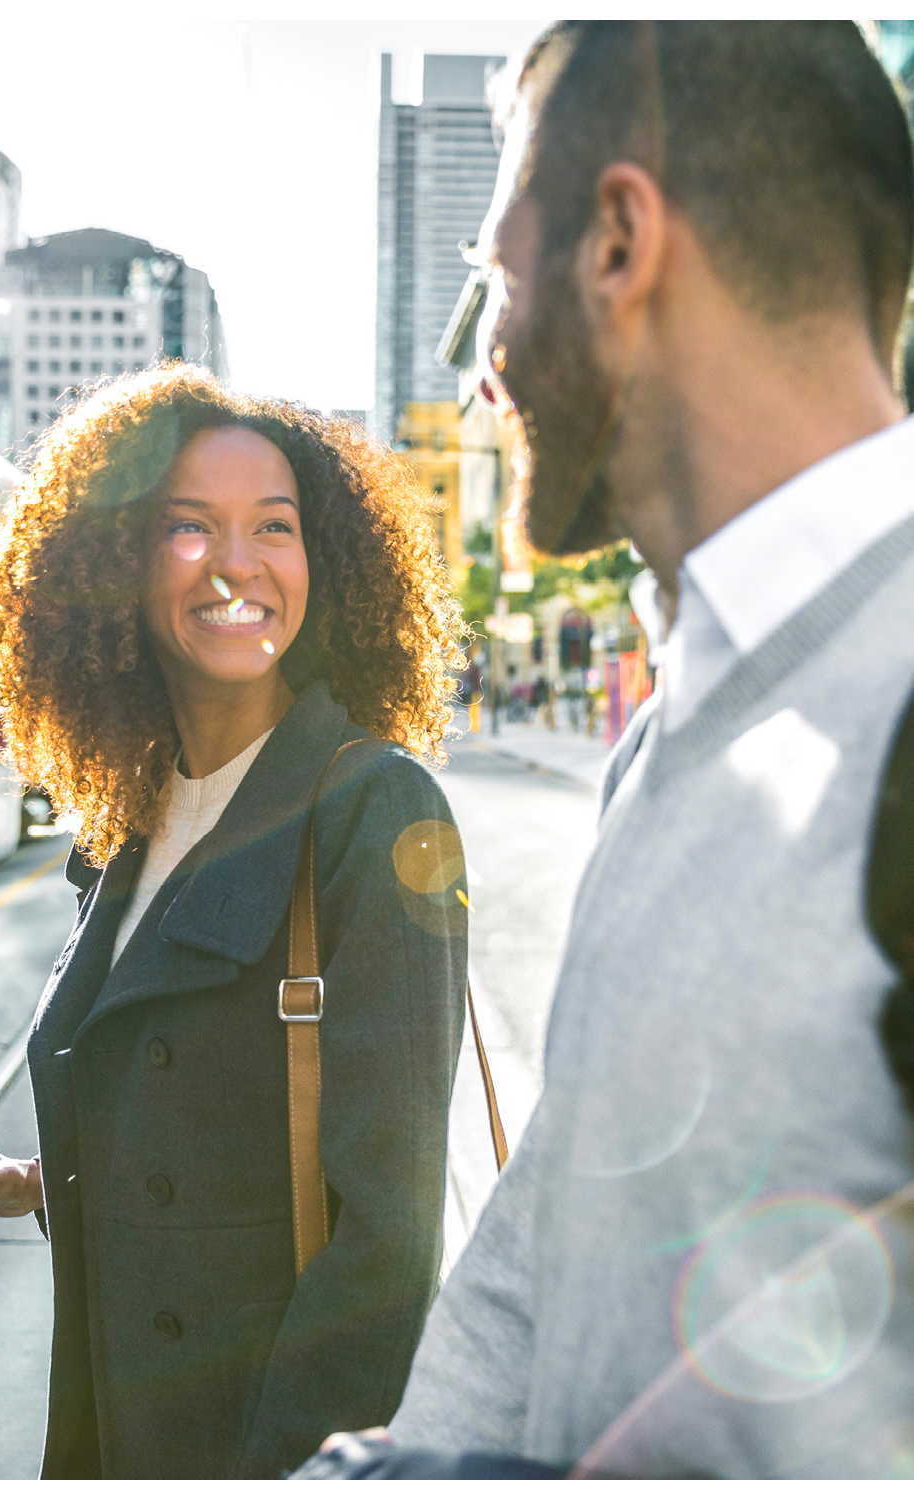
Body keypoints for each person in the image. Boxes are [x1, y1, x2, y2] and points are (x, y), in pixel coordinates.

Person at [298, 20, 914, 1480]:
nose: (487, 371)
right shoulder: (683, 719)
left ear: (619, 244)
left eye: (492, 282)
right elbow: (553, 1232)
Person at [0, 366, 469, 1477]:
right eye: (186, 528)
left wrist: (297, 1466)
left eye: (273, 528)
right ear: (116, 569)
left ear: (321, 565)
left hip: (253, 1445)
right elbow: (210, 1137)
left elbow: (387, 1241)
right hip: (112, 1429)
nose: (236, 563)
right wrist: (38, 1180)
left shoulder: (371, 807)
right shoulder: (129, 817)